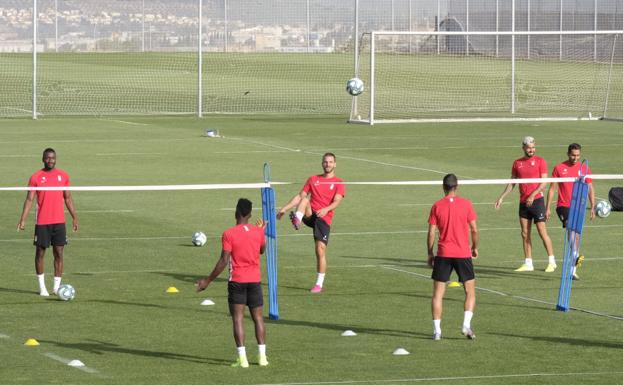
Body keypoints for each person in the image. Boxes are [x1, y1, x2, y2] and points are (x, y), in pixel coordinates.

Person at [196, 198, 268, 368]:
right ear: (250, 214)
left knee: (238, 319)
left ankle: (242, 359)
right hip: (255, 281)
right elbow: (262, 250)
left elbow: (223, 260)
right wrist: (261, 232)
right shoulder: (257, 232)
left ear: (236, 212)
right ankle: (262, 357)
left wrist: (207, 280)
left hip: (237, 281)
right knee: (258, 318)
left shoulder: (229, 233)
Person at [276, 152, 345, 293]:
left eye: (330, 162)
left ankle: (319, 284)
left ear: (335, 164)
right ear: (322, 163)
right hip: (310, 214)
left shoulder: (339, 182)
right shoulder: (313, 179)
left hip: (323, 218)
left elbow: (337, 201)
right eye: (325, 162)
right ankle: (298, 219)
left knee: (320, 250)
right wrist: (284, 209)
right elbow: (299, 197)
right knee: (306, 199)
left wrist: (326, 209)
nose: (328, 164)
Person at [17, 148, 78, 297]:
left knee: (59, 253)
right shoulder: (36, 177)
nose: (50, 160)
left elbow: (68, 198)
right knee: (40, 253)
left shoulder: (63, 176)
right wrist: (23, 219)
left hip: (59, 222)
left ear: (56, 159)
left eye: (53, 158)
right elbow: (30, 199)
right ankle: (42, 287)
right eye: (47, 158)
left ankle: (56, 288)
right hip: (43, 222)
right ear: (43, 159)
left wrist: (74, 217)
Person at [427, 174, 479, 341]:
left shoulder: (436, 206)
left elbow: (431, 232)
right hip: (463, 253)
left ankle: (437, 332)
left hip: (443, 253)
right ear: (457, 186)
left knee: (437, 294)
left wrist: (430, 252)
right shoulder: (466, 204)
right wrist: (474, 247)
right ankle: (466, 325)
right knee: (469, 291)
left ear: (443, 187)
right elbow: (474, 229)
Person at [495, 136, 556, 273]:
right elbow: (512, 183)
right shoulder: (517, 163)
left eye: (533, 147)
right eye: (529, 148)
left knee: (542, 231)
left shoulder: (540, 161)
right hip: (523, 203)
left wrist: (533, 195)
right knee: (524, 233)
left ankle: (551, 261)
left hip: (537, 201)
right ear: (523, 148)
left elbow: (544, 182)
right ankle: (528, 262)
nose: (532, 150)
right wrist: (502, 197)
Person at [546, 143, 595, 280]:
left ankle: (572, 271)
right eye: (573, 155)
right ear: (568, 154)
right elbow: (552, 189)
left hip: (579, 206)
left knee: (576, 235)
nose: (575, 158)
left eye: (578, 155)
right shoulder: (559, 168)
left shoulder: (584, 168)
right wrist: (548, 207)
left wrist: (592, 206)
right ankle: (575, 256)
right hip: (563, 205)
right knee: (570, 228)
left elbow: (590, 187)